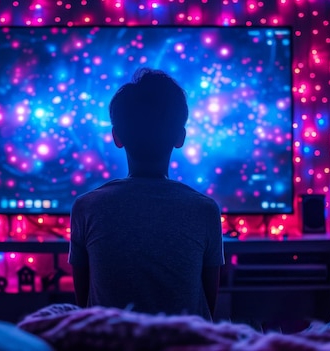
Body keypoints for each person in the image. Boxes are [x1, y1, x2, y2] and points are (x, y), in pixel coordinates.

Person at [68, 68, 224, 320]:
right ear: (180, 137)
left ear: (116, 137)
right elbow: (207, 308)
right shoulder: (204, 210)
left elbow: (84, 307)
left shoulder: (87, 207)